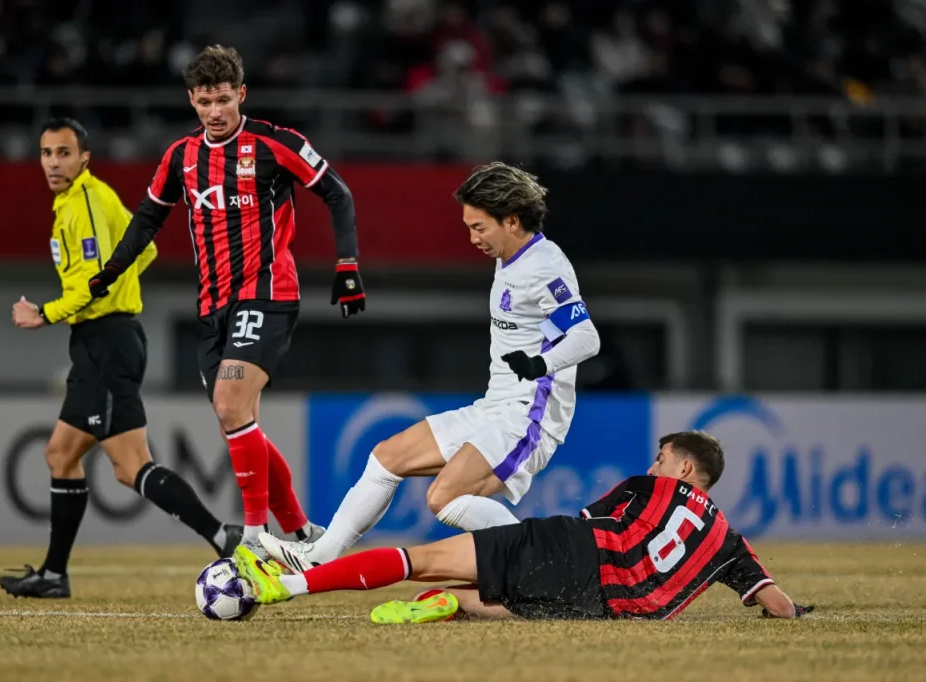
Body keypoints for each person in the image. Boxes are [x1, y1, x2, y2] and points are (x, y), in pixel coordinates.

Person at [260, 162, 600, 573]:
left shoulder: (544, 266)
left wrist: (539, 362)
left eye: (479, 227)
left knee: (444, 498)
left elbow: (586, 337)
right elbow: (546, 327)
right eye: (469, 227)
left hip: (529, 417)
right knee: (387, 457)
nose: (472, 238)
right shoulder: (514, 258)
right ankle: (318, 556)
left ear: (512, 221)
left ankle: (542, 570)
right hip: (496, 407)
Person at [88, 44, 360, 556]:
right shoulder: (181, 156)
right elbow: (147, 218)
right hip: (212, 308)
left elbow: (337, 193)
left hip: (267, 292)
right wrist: (111, 271)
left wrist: (347, 265)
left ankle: (254, 538)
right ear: (191, 100)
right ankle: (303, 533)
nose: (215, 111)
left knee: (230, 404)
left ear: (241, 95)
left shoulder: (276, 144)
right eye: (205, 101)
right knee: (237, 420)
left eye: (223, 100)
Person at [0, 118, 245, 599]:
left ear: (84, 158)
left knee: (130, 466)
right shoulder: (86, 200)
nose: (53, 162)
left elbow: (94, 282)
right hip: (98, 342)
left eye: (64, 153)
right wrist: (117, 283)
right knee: (60, 454)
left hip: (108, 341)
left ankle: (224, 537)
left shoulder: (86, 203)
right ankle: (53, 575)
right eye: (47, 153)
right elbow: (145, 250)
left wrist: (43, 313)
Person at [235, 431, 815, 623]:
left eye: (662, 459)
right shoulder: (728, 541)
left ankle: (282, 586)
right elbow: (781, 605)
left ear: (684, 469)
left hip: (574, 550)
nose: (654, 465)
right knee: (507, 598)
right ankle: (454, 604)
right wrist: (789, 613)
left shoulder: (648, 488)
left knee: (418, 560)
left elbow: (587, 524)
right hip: (602, 609)